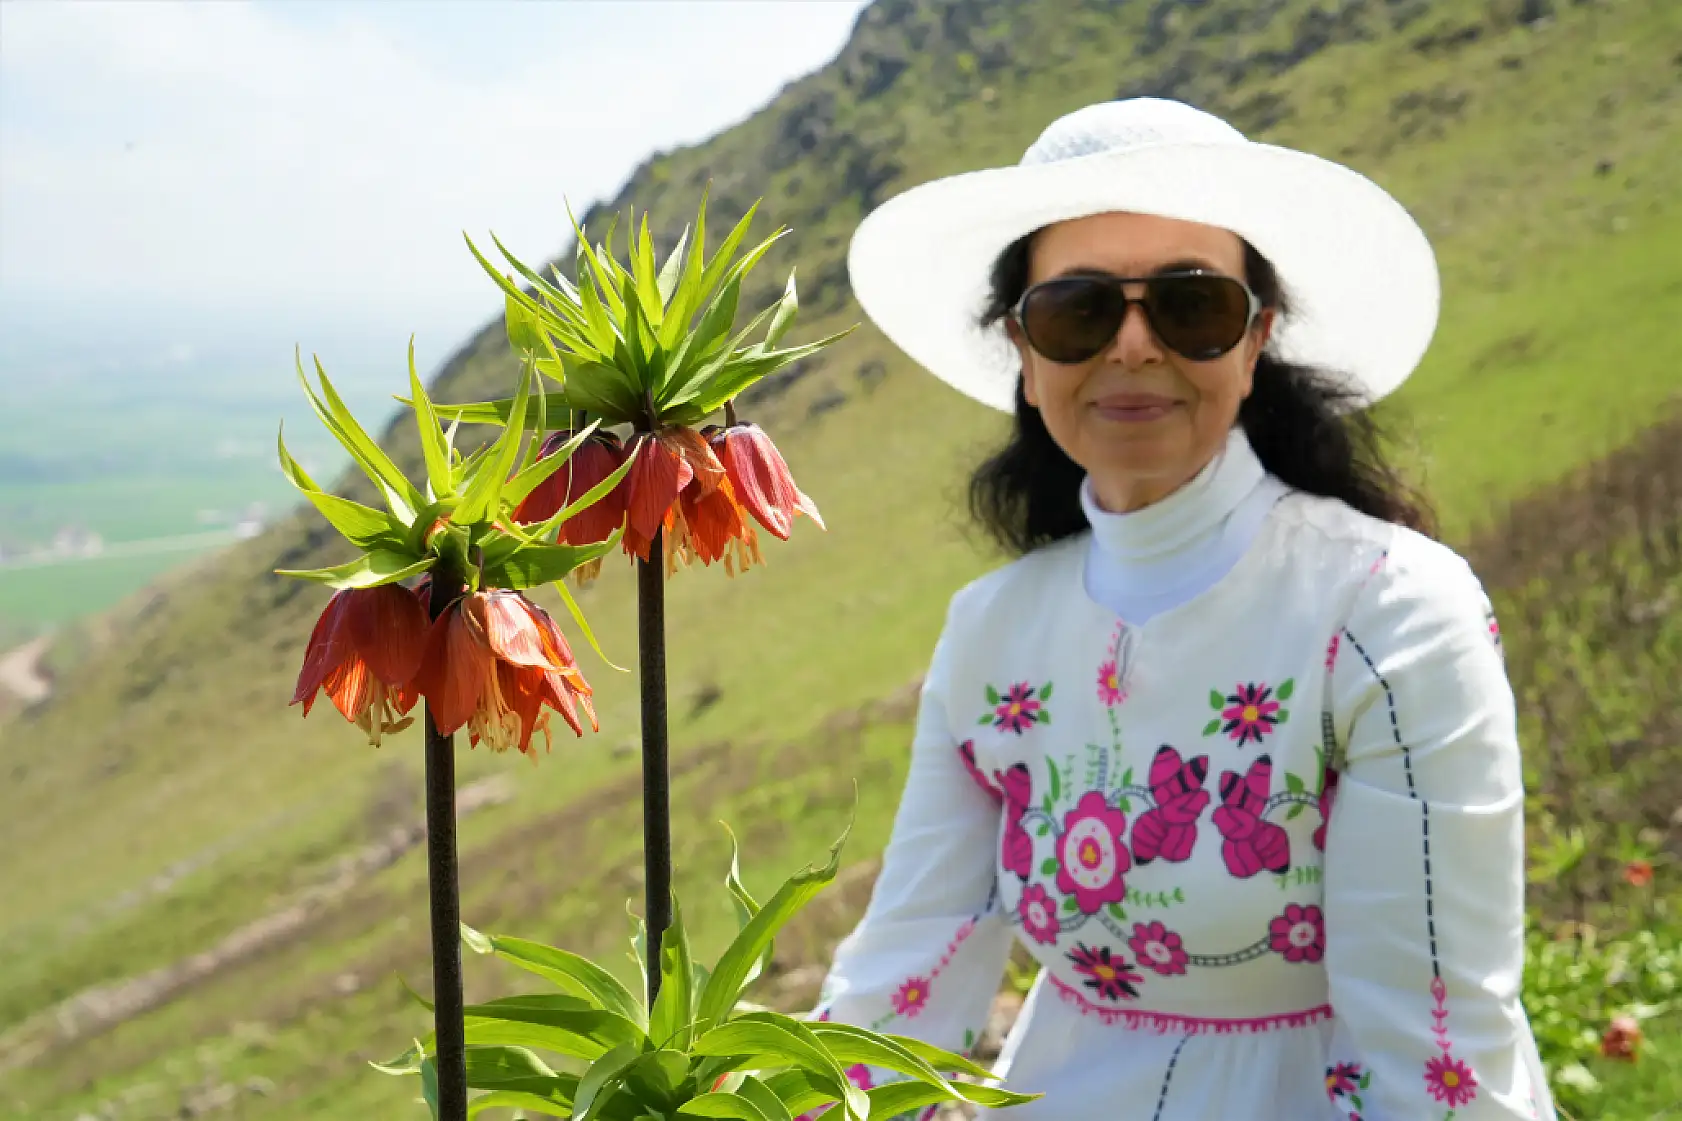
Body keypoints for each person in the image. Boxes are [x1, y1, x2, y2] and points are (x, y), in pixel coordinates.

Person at [814, 98, 1557, 1121]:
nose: (1130, 347)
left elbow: (1432, 1043)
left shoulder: (1386, 610)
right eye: (1076, 311)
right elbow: (908, 965)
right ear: (1021, 356)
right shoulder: (989, 630)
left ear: (1256, 341)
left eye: (1190, 305)